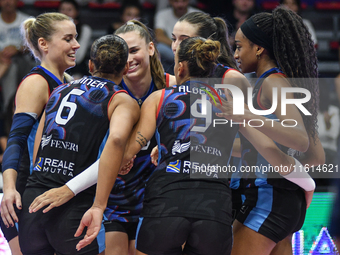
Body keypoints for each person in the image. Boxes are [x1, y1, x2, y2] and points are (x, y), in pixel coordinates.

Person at [76, 36, 239, 255]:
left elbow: (130, 150)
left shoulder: (160, 97)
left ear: (180, 68)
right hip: (215, 206)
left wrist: (125, 164)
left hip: (166, 202)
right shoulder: (229, 102)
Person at [28, 19, 167, 255]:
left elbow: (39, 141)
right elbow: (117, 147)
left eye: (136, 50)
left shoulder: (62, 88)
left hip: (150, 199)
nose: (132, 59)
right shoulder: (119, 98)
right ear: (122, 67)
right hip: (98, 199)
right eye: (128, 52)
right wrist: (89, 199)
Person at [229, 7, 324, 255]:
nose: (235, 54)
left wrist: (245, 116)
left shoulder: (274, 82)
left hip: (268, 200)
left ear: (259, 48)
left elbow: (299, 139)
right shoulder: (275, 82)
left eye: (239, 46)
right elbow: (316, 157)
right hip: (281, 200)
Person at [0, 12, 79, 255]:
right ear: (43, 44)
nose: (76, 45)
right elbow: (16, 139)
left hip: (51, 192)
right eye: (68, 39)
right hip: (23, 193)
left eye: (76, 38)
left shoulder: (68, 82)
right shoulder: (37, 83)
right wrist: (10, 189)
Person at [0, 0, 35, 113]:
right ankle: (10, 109)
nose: (7, 2)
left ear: (17, 1)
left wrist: (18, 49)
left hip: (22, 60)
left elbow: (36, 45)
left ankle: (11, 109)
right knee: (9, 65)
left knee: (13, 65)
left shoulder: (27, 20)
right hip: (2, 61)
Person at [154, 0, 200, 74]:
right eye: (176, 1)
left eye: (183, 1)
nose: (180, 4)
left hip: (190, 48)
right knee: (159, 48)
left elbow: (201, 37)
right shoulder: (162, 14)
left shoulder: (198, 15)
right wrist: (176, 45)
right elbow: (159, 36)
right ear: (170, 1)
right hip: (171, 49)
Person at [59, 0, 93, 79]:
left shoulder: (85, 29)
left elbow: (78, 57)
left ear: (77, 12)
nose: (65, 13)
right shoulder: (53, 29)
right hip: (58, 65)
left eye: (69, 10)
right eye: (62, 9)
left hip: (76, 67)